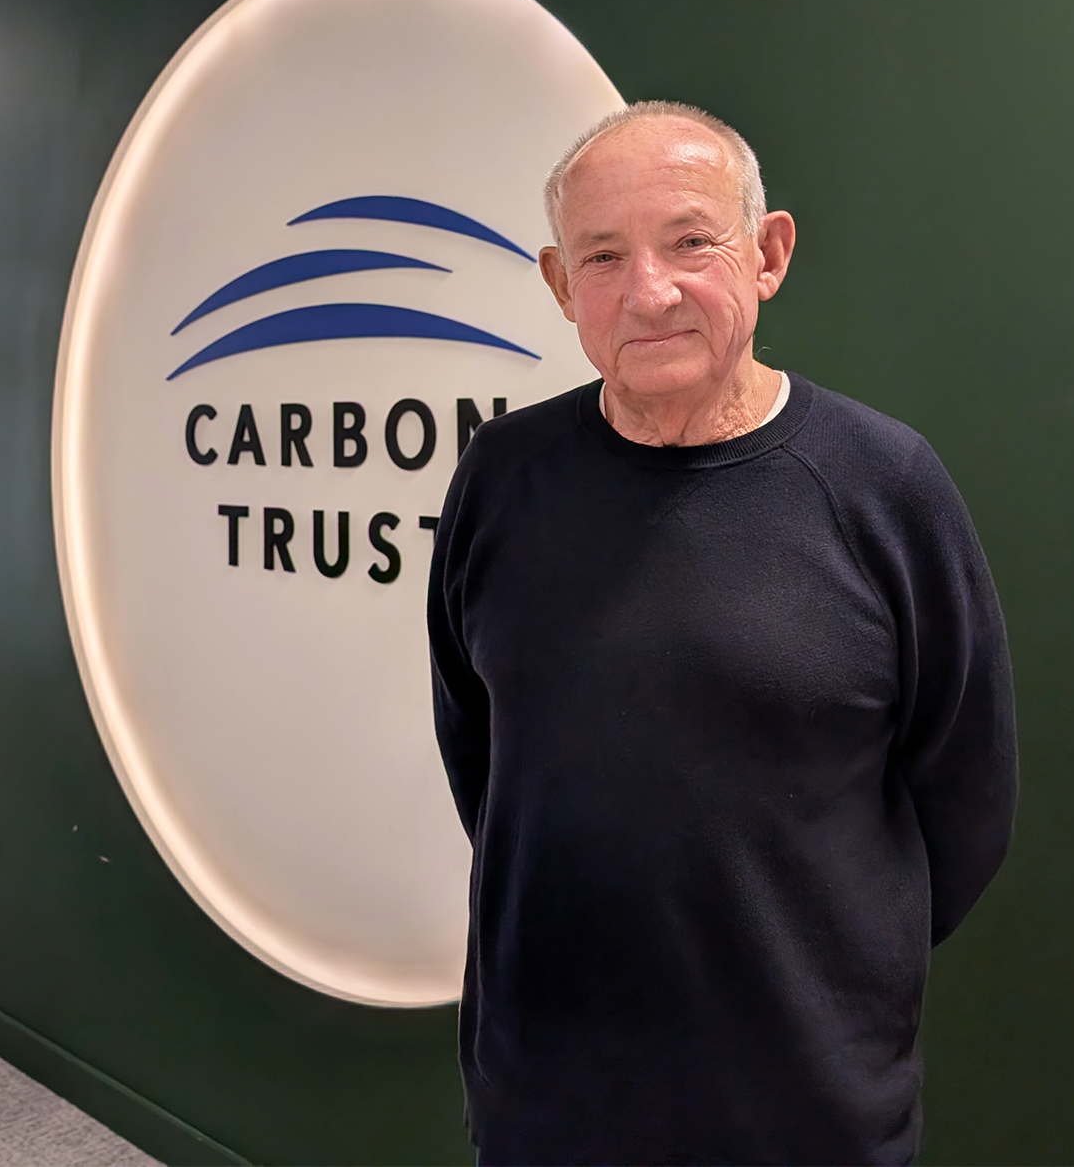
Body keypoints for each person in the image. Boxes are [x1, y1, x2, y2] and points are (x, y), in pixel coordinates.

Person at [427, 101, 1016, 1166]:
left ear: (768, 254)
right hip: (545, 1100)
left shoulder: (882, 484)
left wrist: (835, 971)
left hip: (806, 1112)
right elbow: (482, 751)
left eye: (690, 241)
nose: (648, 292)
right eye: (603, 256)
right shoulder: (501, 476)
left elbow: (965, 794)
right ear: (561, 285)